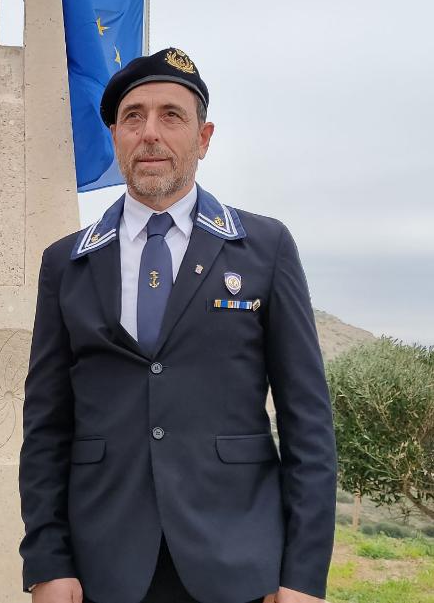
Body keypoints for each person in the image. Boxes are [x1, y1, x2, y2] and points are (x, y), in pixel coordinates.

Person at [18, 48, 337, 603]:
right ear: (115, 137)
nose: (150, 133)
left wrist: (303, 577)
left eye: (171, 116)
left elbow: (307, 421)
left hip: (239, 564)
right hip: (101, 567)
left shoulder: (265, 249)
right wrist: (47, 562)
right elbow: (46, 426)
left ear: (203, 138)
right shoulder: (66, 263)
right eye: (133, 117)